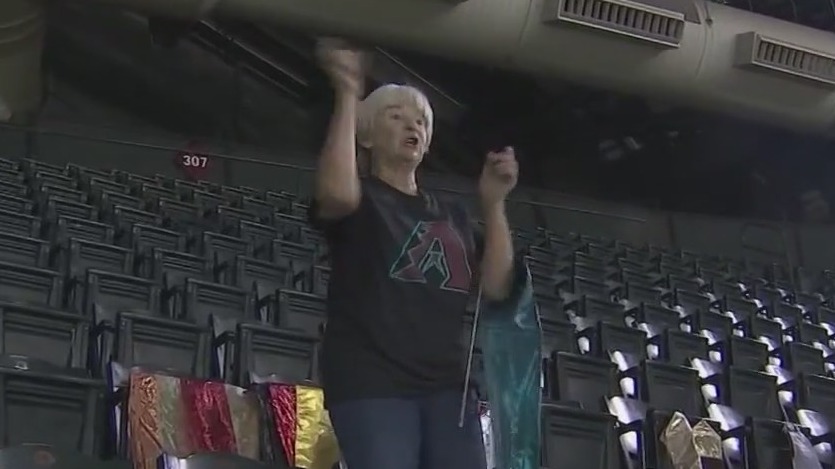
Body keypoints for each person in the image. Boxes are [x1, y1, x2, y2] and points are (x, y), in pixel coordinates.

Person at [309, 38, 519, 469]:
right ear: (367, 134)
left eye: (422, 121)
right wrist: (348, 93)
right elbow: (336, 194)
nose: (413, 126)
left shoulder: (453, 215)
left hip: (449, 389)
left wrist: (494, 203)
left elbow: (497, 286)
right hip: (373, 383)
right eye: (396, 116)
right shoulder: (361, 199)